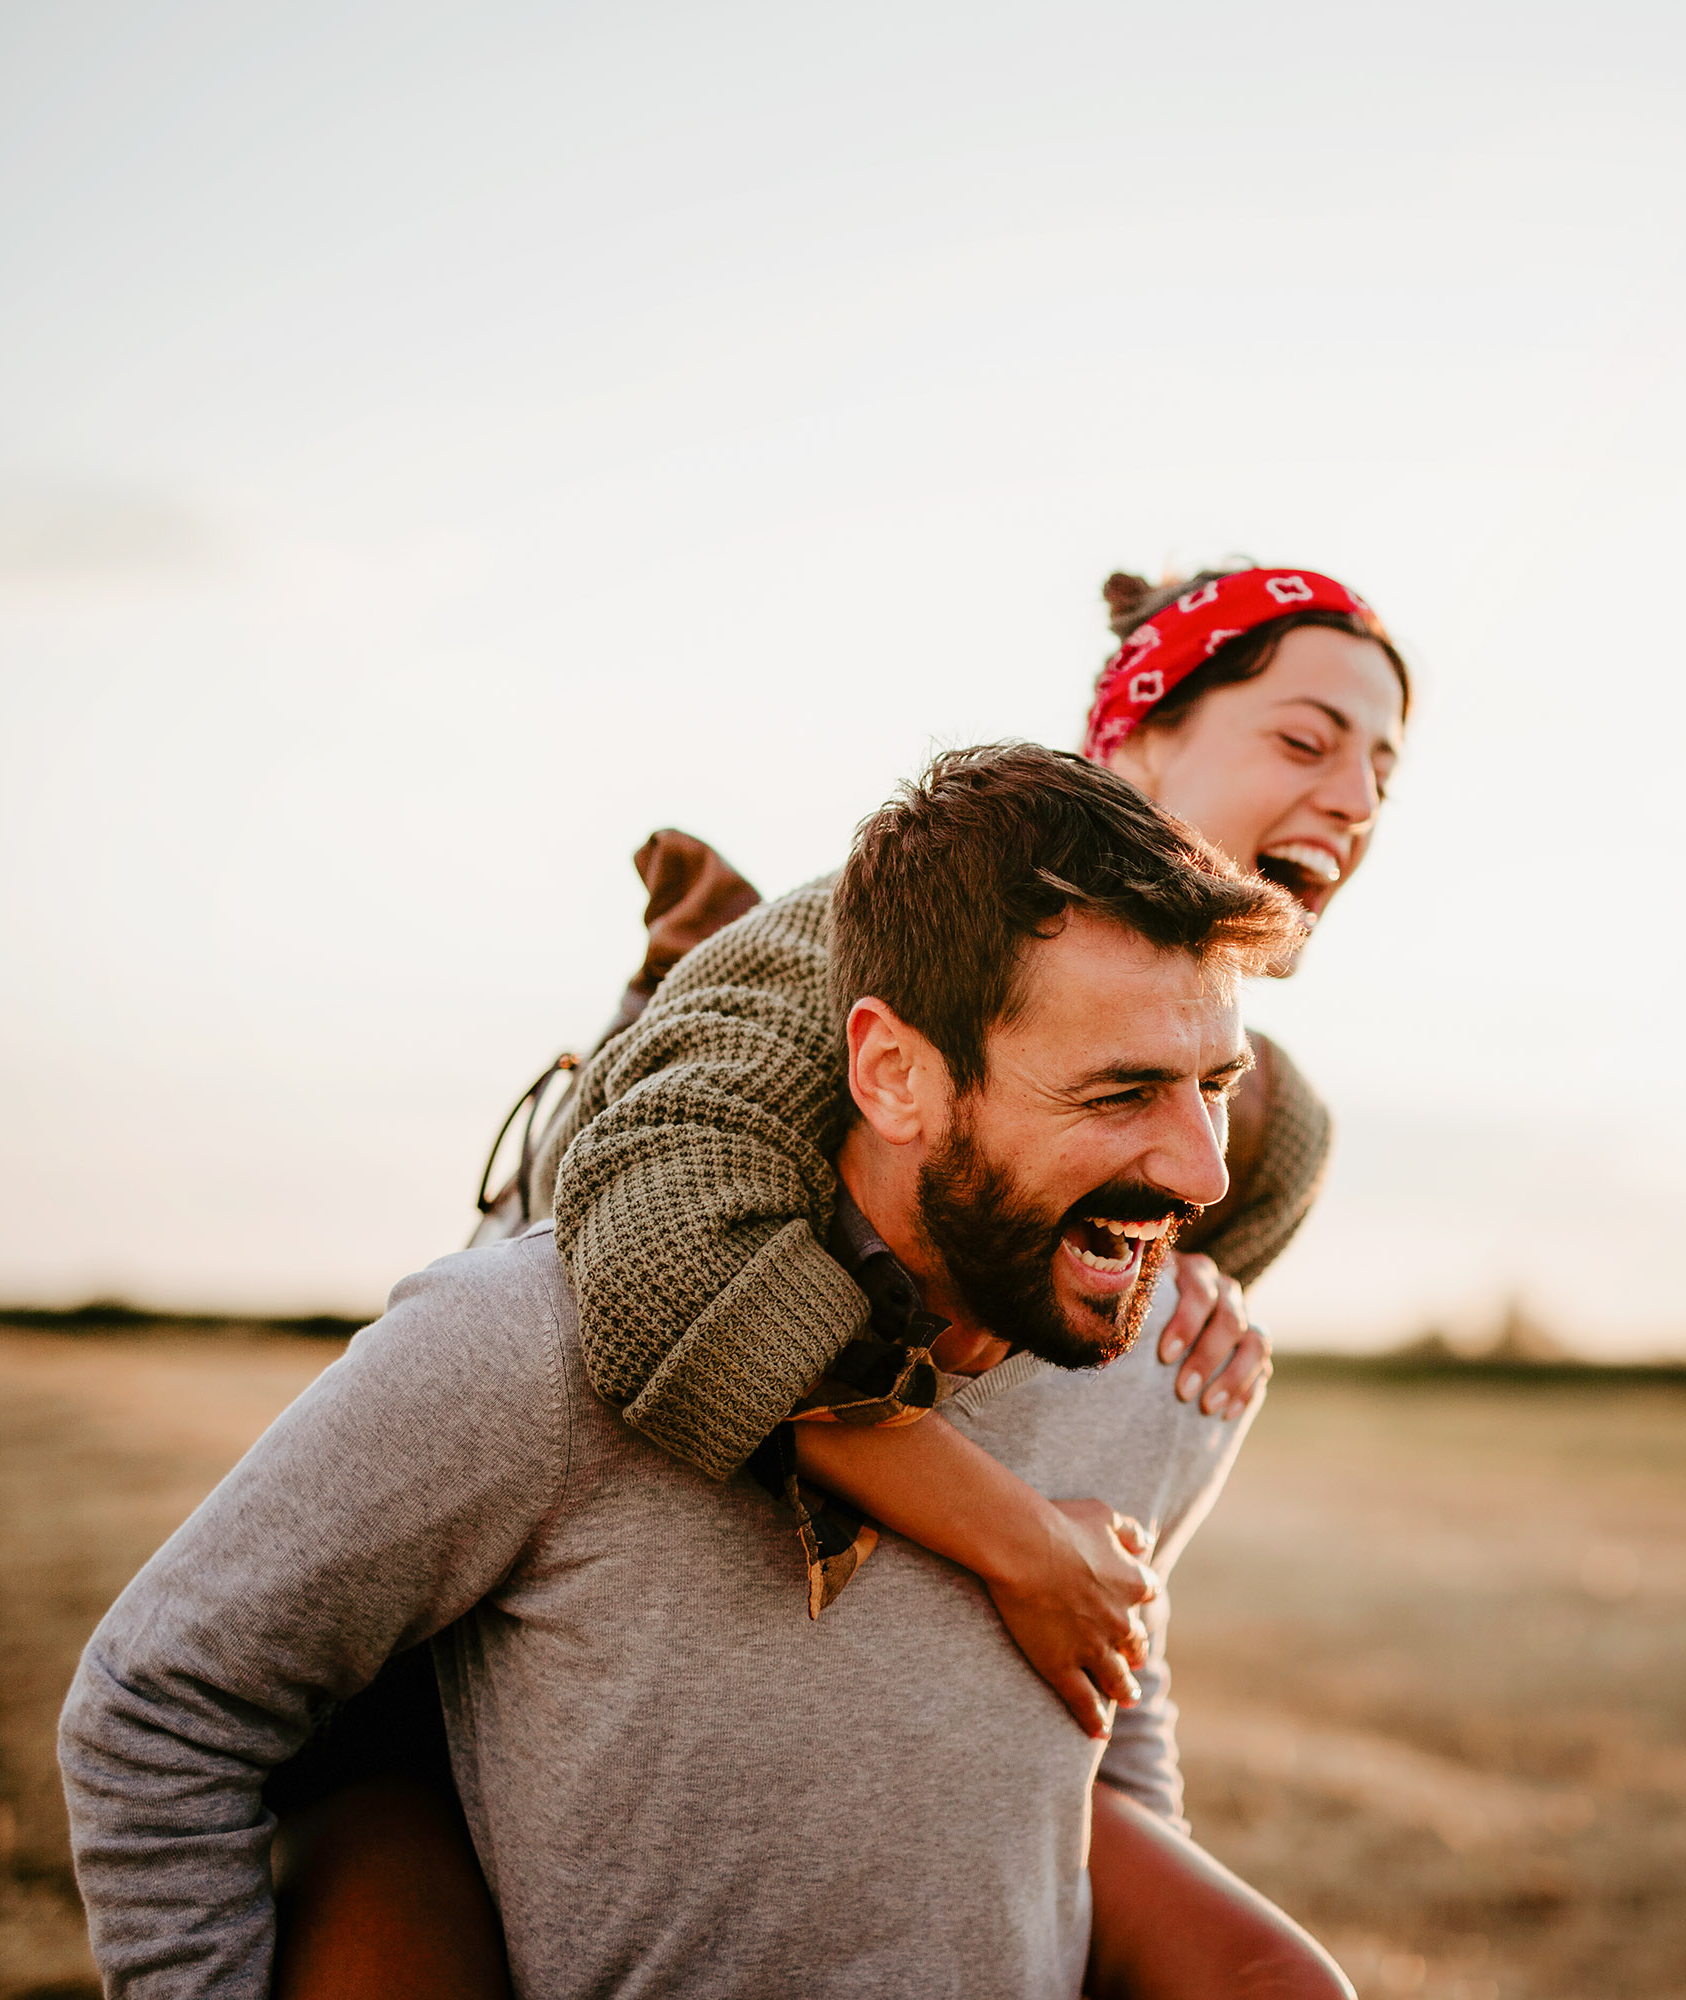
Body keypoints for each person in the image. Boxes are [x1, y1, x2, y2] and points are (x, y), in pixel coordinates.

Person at [275, 563, 1408, 1994]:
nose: (1357, 795)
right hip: (514, 1617)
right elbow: (667, 1273)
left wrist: (1171, 1296)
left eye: (1383, 764)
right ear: (1135, 739)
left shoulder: (1275, 1131)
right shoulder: (867, 941)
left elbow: (1080, 1395)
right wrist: (1021, 1544)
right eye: (1307, 741)